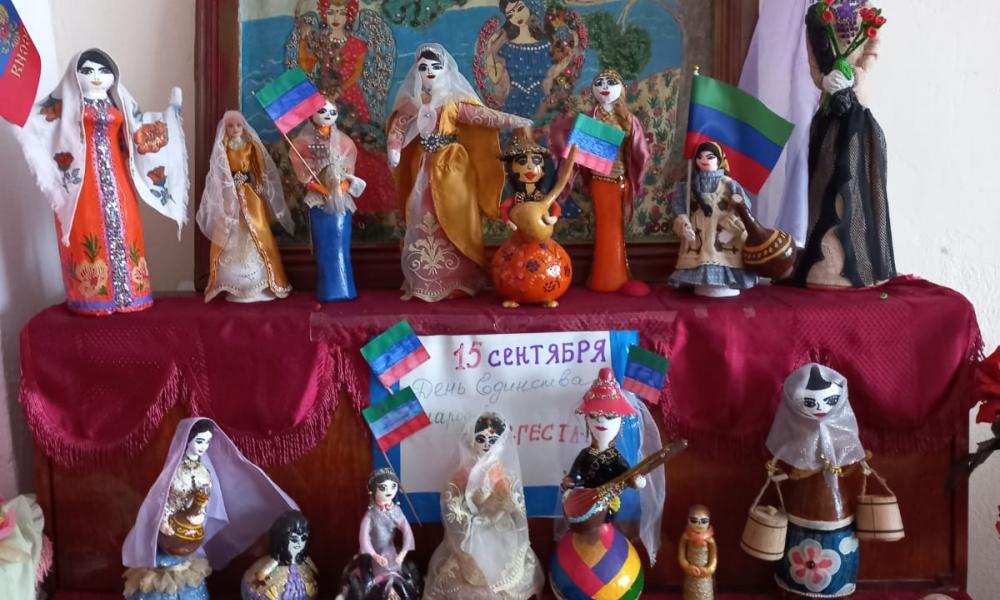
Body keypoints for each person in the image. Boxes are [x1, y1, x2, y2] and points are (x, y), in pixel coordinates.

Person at [19, 48, 188, 315]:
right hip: (83, 184)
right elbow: (38, 122)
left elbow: (142, 129)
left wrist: (170, 113)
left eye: (103, 70)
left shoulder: (118, 103)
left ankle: (133, 293)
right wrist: (18, 109)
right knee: (87, 229)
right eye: (88, 71)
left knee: (127, 226)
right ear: (75, 75)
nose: (96, 76)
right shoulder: (68, 106)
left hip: (119, 180)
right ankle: (93, 297)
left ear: (113, 75)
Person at [387, 43, 532, 302]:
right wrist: (394, 148)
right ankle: (426, 279)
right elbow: (399, 127)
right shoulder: (413, 104)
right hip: (423, 168)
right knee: (423, 213)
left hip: (452, 168)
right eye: (423, 67)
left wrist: (515, 121)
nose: (429, 71)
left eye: (435, 66)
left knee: (457, 215)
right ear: (417, 72)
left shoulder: (453, 104)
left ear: (445, 70)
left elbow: (484, 117)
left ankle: (459, 278)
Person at [122, 418, 298, 600]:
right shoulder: (174, 471)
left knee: (188, 575)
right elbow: (161, 500)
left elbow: (203, 501)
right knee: (162, 579)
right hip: (169, 530)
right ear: (187, 440)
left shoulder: (203, 472)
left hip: (190, 529)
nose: (203, 447)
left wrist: (198, 513)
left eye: (207, 442)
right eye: (199, 441)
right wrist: (165, 520)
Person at [793, 0, 894, 288]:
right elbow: (814, 60)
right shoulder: (816, 15)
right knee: (824, 176)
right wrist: (824, 79)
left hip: (857, 105)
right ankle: (823, 257)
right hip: (828, 107)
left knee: (855, 177)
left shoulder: (867, 11)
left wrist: (855, 76)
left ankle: (857, 260)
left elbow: (872, 50)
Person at [548, 70, 650, 294]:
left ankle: (617, 275)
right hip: (598, 181)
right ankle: (603, 277)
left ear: (621, 88)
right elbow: (574, 156)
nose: (604, 86)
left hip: (619, 179)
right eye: (599, 82)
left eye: (611, 82)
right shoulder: (589, 119)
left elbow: (641, 155)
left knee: (615, 228)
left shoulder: (628, 120)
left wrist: (633, 177)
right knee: (604, 228)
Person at [422, 412, 544, 599]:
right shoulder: (465, 471)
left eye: (493, 440)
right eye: (481, 439)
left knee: (505, 554)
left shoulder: (500, 471)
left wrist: (504, 507)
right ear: (473, 441)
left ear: (500, 443)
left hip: (498, 525)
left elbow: (511, 501)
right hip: (472, 525)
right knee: (471, 559)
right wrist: (463, 514)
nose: (487, 444)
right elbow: (451, 497)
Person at [198, 111, 293, 302]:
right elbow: (219, 171)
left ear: (243, 127)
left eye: (238, 125)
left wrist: (258, 181)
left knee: (257, 226)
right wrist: (228, 186)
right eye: (230, 126)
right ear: (225, 129)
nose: (235, 129)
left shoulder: (250, 145)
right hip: (231, 194)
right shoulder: (223, 147)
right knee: (230, 228)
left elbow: (259, 166)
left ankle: (261, 279)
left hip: (249, 193)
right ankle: (234, 280)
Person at [291, 100, 367, 302]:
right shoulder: (303, 144)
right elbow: (305, 178)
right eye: (322, 111)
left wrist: (343, 187)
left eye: (331, 111)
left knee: (341, 246)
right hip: (320, 203)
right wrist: (321, 189)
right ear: (312, 115)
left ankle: (345, 288)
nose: (327, 115)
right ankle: (328, 290)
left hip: (341, 202)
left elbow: (349, 173)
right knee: (325, 248)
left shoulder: (345, 143)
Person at [669, 141, 758, 297]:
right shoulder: (687, 186)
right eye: (700, 157)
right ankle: (703, 283)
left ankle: (727, 282)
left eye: (710, 157)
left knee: (723, 255)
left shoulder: (730, 185)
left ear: (719, 160)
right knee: (702, 254)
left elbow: (743, 209)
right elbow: (679, 208)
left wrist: (731, 228)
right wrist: (684, 225)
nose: (704, 160)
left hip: (725, 234)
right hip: (698, 234)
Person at [242, 511, 318, 600]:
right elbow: (264, 571)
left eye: (303, 538)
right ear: (282, 538)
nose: (299, 543)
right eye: (294, 539)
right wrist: (262, 575)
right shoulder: (276, 559)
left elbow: (315, 570)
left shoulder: (305, 559)